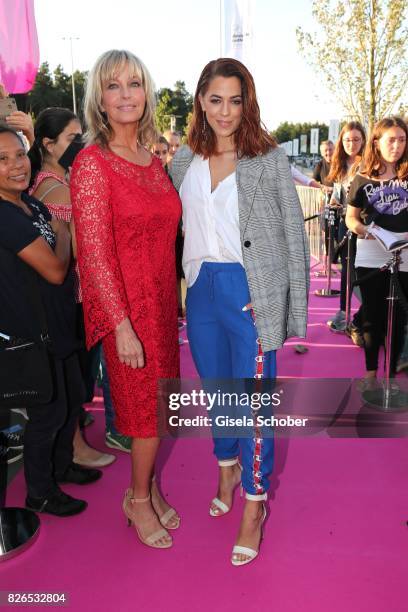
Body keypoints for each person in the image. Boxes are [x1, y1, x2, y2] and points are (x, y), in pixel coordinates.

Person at [171, 58, 309, 566]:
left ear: (247, 102)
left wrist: (284, 302)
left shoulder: (267, 158)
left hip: (247, 290)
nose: (225, 111)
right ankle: (225, 466)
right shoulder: (183, 159)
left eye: (235, 100)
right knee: (217, 391)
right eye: (215, 99)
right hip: (200, 289)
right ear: (200, 101)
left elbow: (293, 234)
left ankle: (255, 502)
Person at [71, 49, 181, 549]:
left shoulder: (152, 159)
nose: (124, 95)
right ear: (99, 98)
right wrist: (120, 325)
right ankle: (136, 501)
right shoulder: (92, 165)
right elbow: (92, 255)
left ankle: (149, 487)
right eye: (112, 86)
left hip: (160, 303)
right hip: (127, 311)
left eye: (133, 83)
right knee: (142, 414)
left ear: (146, 92)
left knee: (159, 409)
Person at [0, 124, 102, 516]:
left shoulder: (30, 204)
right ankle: (39, 492)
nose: (16, 165)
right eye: (3, 159)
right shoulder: (6, 216)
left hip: (57, 328)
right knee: (47, 414)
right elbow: (57, 269)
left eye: (19, 155)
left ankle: (61, 467)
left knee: (71, 401)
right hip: (31, 336)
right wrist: (62, 234)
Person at [28, 107, 115, 469]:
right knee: (74, 379)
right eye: (71, 138)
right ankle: (73, 448)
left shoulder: (63, 182)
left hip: (76, 293)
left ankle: (73, 446)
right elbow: (84, 246)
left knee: (77, 378)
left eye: (82, 136)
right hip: (69, 295)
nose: (80, 144)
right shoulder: (54, 189)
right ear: (48, 145)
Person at [346, 116, 408, 385]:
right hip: (371, 252)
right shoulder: (362, 179)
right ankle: (371, 374)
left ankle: (390, 376)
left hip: (405, 253)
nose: (397, 146)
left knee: (398, 318)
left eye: (402, 140)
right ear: (377, 142)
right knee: (373, 315)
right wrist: (365, 230)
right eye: (391, 140)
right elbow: (351, 218)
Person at [326, 122, 366, 333]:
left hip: (363, 226)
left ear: (364, 141)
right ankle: (344, 312)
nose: (352, 144)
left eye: (356, 139)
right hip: (344, 224)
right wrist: (333, 202)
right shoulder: (340, 164)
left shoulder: (368, 164)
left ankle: (365, 314)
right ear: (342, 142)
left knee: (363, 271)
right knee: (346, 271)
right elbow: (336, 192)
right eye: (347, 140)